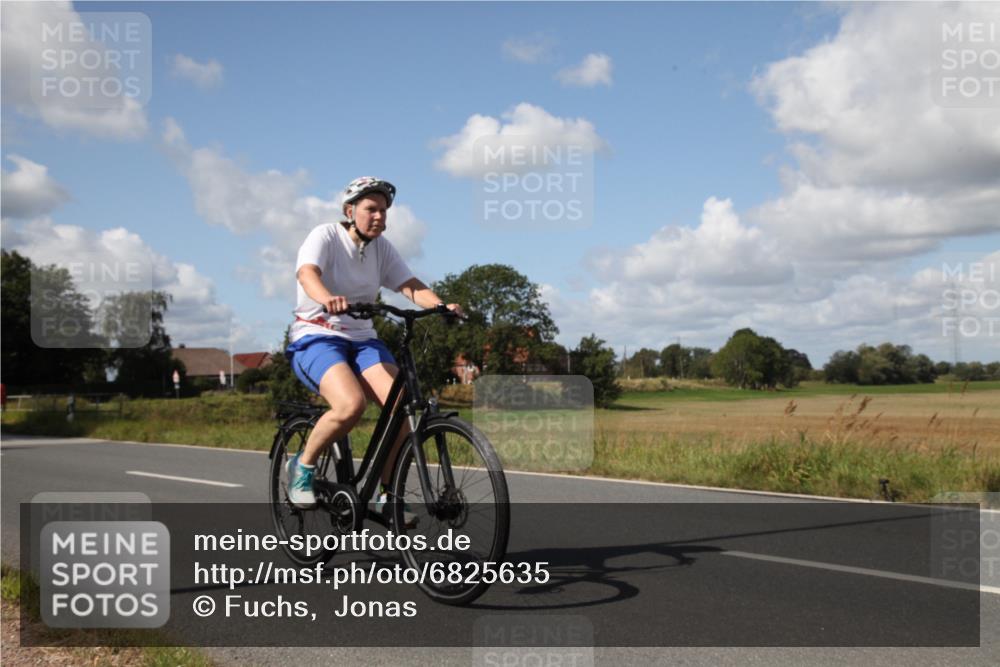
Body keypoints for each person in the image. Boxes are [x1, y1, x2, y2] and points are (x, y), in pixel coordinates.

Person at [284, 176, 463, 510]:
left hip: (363, 341)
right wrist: (327, 298)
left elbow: (408, 284)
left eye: (383, 210)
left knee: (403, 408)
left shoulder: (382, 249)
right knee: (350, 405)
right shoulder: (325, 236)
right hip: (317, 337)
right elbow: (308, 273)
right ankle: (303, 466)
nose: (380, 216)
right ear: (350, 210)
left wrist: (441, 305)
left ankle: (384, 493)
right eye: (371, 209)